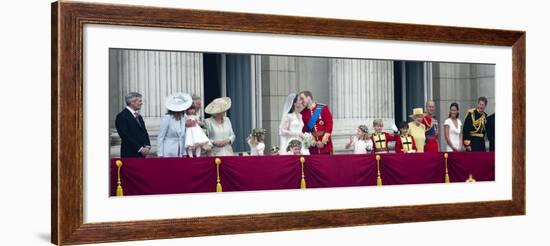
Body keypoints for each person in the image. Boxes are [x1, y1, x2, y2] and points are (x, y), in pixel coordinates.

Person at [157, 93, 195, 157]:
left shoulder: (184, 117)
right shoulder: (167, 118)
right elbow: (161, 137)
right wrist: (160, 154)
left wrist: (184, 152)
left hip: (180, 152)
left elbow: (184, 136)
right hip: (167, 152)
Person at [115, 92, 151, 158]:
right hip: (130, 154)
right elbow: (125, 136)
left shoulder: (139, 116)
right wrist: (140, 148)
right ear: (132, 102)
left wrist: (147, 146)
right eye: (139, 101)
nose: (141, 103)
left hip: (142, 154)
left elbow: (144, 132)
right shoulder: (122, 116)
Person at [299, 91, 333, 155]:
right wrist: (313, 142)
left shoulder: (323, 108)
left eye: (302, 98)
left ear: (308, 98)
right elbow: (304, 131)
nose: (301, 101)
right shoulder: (302, 113)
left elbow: (329, 126)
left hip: (325, 147)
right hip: (312, 149)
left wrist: (323, 142)